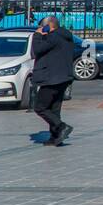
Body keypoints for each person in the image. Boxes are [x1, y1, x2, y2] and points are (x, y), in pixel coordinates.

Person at [31, 15, 77, 146]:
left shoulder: (53, 37)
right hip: (63, 77)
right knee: (54, 109)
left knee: (40, 107)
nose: (39, 28)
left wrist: (38, 35)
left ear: (49, 25)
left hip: (51, 78)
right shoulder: (65, 36)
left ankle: (62, 127)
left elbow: (37, 50)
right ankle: (56, 137)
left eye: (41, 26)